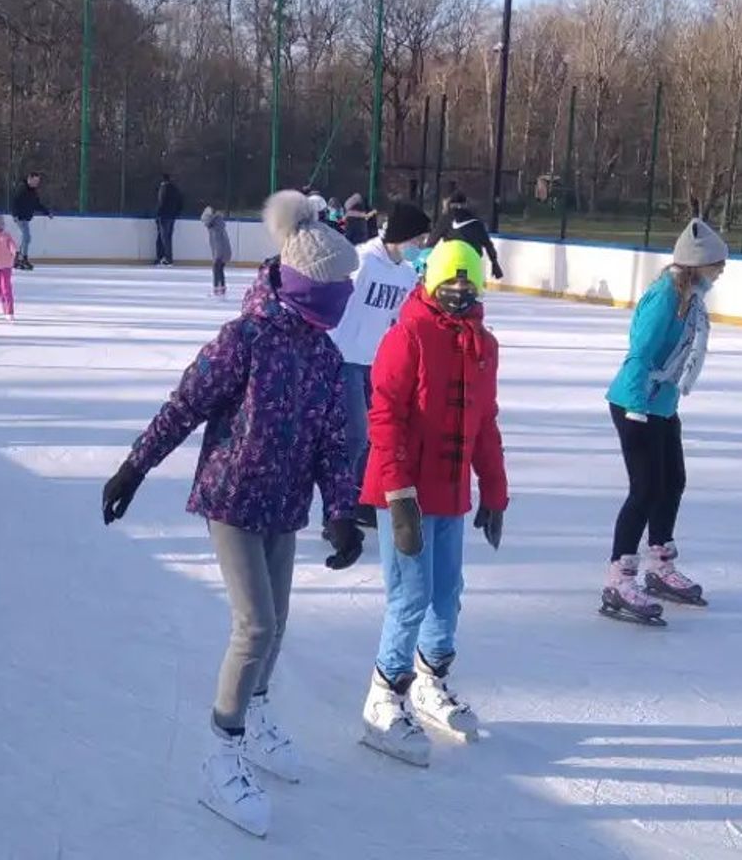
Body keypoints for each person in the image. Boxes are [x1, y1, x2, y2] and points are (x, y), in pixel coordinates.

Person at [99, 190, 365, 839]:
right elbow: (184, 405)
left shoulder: (324, 355)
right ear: (307, 284)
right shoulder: (244, 338)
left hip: (284, 505)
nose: (345, 298)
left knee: (276, 626)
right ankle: (221, 750)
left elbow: (335, 442)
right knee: (255, 625)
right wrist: (135, 466)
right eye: (338, 287)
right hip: (232, 496)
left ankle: (260, 711)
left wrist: (341, 513)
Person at [358, 240, 508, 766]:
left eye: (468, 286)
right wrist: (398, 497)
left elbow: (485, 423)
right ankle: (383, 696)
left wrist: (494, 491)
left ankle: (429, 681)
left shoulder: (484, 345)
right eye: (450, 286)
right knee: (410, 595)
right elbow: (384, 417)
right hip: (406, 491)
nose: (459, 295)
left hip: (450, 492)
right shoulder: (409, 335)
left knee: (448, 592)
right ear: (430, 284)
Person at [601, 218, 728, 626]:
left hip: (662, 405)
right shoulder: (664, 299)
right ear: (697, 265)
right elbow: (640, 353)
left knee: (672, 482)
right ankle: (618, 578)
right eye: (716, 265)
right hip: (634, 403)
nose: (721, 272)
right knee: (644, 489)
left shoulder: (690, 299)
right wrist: (638, 409)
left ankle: (658, 562)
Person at [328, 200, 431, 530]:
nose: (420, 248)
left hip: (377, 363)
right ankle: (336, 511)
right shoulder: (362, 261)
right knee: (354, 436)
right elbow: (335, 304)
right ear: (402, 236)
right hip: (343, 358)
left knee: (377, 436)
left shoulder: (405, 274)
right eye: (418, 241)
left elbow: (403, 318)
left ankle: (360, 500)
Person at [429, 191, 504, 281]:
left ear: (449, 204)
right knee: (471, 289)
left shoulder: (446, 219)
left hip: (451, 262)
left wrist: (425, 261)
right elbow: (488, 245)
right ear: (465, 204)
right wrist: (494, 263)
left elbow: (431, 242)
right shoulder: (477, 223)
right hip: (472, 261)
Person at [10, 173, 53, 270]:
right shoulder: (21, 189)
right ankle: (22, 258)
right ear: (29, 179)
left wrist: (47, 212)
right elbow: (14, 202)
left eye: (37, 181)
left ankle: (19, 258)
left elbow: (37, 204)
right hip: (20, 218)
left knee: (26, 238)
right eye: (35, 181)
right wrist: (15, 215)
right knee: (26, 237)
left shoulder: (33, 191)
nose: (36, 183)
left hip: (26, 218)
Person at [201, 206, 232, 297]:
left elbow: (218, 243)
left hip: (220, 253)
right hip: (222, 252)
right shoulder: (218, 224)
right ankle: (221, 287)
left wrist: (217, 256)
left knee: (216, 268)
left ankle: (217, 288)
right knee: (220, 269)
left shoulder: (215, 228)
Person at [155, 173, 184, 266]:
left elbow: (161, 202)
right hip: (172, 216)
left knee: (164, 238)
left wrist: (158, 214)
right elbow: (180, 202)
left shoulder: (163, 188)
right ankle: (164, 257)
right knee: (167, 237)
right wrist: (176, 213)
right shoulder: (175, 189)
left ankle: (166, 258)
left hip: (164, 216)